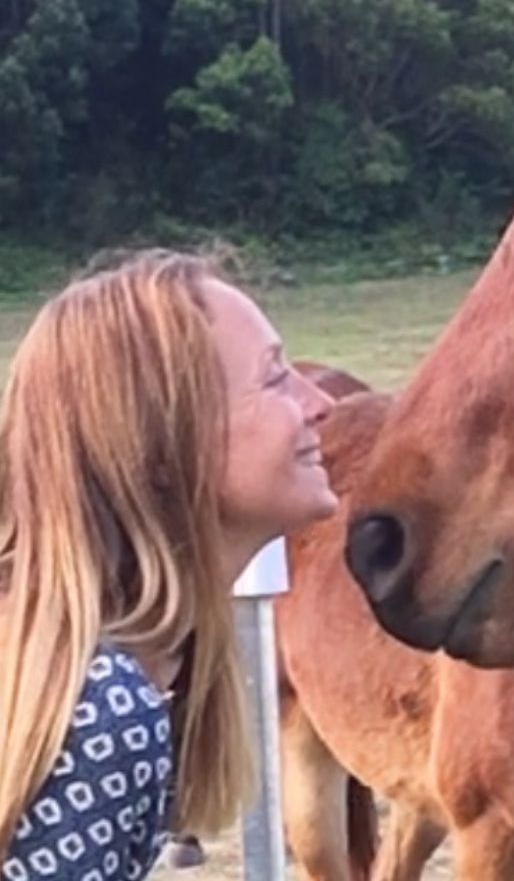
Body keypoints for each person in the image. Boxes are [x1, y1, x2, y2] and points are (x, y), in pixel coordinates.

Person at [0, 250, 337, 878]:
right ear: (163, 444)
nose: (321, 402)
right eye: (274, 378)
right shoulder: (103, 708)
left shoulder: (104, 671)